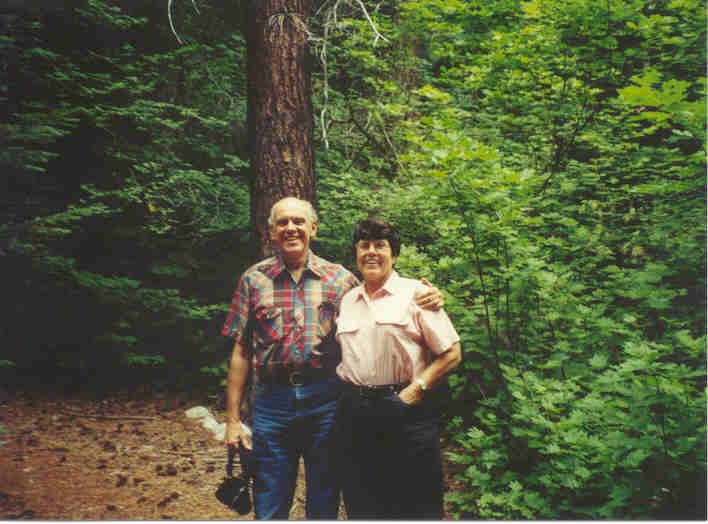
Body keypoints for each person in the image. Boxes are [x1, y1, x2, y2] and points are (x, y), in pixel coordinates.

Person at [221, 197, 443, 520]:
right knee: (269, 500)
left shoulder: (340, 280)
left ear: (313, 228)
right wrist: (232, 420)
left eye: (298, 221)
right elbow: (241, 350)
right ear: (271, 232)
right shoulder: (253, 280)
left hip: (326, 401)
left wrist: (428, 295)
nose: (291, 228)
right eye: (282, 222)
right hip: (271, 403)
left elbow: (379, 299)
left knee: (324, 499)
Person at [335, 216, 462, 520]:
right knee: (363, 505)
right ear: (356, 253)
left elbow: (452, 353)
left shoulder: (418, 294)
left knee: (417, 505)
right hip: (356, 414)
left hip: (406, 412)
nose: (371, 252)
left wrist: (415, 390)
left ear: (394, 254)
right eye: (364, 245)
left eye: (380, 245)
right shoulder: (347, 300)